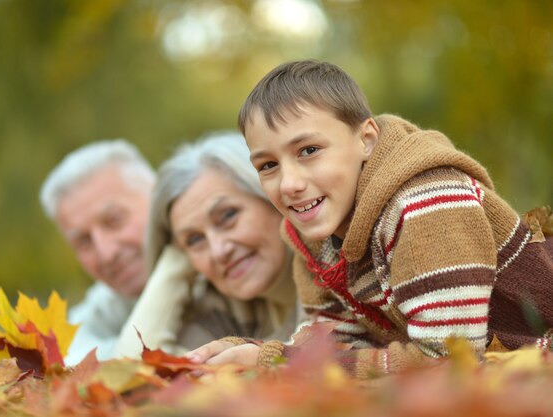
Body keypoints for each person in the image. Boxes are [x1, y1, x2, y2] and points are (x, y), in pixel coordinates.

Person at [187, 59, 553, 377]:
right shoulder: (313, 236)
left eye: (309, 150)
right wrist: (256, 356)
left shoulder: (428, 202)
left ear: (366, 139)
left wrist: (277, 365)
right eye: (268, 165)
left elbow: (450, 363)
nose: (289, 184)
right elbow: (339, 348)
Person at [114, 132, 298, 359]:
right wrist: (172, 271)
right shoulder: (225, 305)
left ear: (271, 197)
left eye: (228, 215)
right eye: (194, 239)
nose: (219, 251)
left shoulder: (337, 274)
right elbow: (134, 371)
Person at [39, 139, 155, 365]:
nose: (106, 253)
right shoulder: (102, 309)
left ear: (159, 197)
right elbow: (72, 359)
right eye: (84, 241)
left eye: (114, 220)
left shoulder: (228, 267)